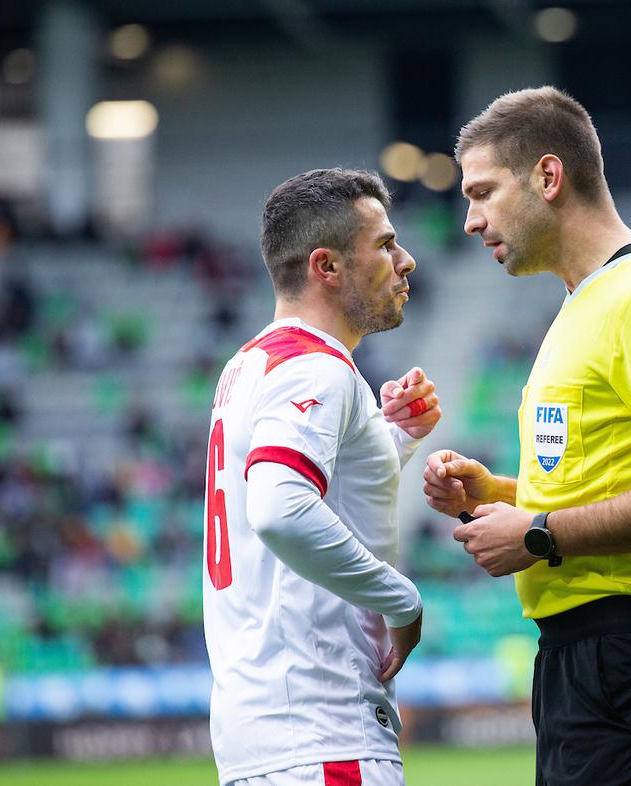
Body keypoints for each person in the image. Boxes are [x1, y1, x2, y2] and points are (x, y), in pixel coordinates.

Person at [423, 87, 631, 786]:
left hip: (630, 656)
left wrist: (538, 534)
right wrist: (500, 495)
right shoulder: (586, 301)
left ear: (547, 176)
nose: (470, 221)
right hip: (588, 657)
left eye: (481, 192)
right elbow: (608, 476)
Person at [203, 168, 441, 786]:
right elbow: (281, 509)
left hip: (268, 734)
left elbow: (306, 494)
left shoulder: (252, 364)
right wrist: (401, 597)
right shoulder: (317, 370)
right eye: (385, 244)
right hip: (322, 735)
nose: (406, 260)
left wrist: (392, 439)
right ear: (326, 267)